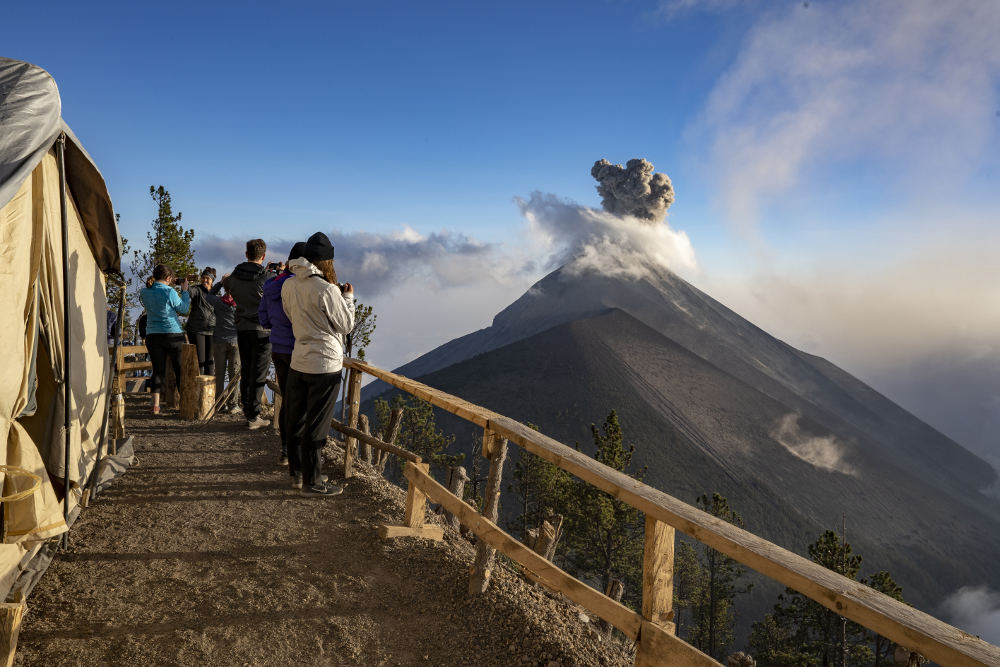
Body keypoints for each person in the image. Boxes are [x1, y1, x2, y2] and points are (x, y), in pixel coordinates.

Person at [282, 232, 354, 496]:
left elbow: (291, 317)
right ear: (326, 261)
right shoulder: (327, 289)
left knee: (296, 420)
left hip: (298, 359)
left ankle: (297, 475)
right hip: (325, 364)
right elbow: (346, 325)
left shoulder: (288, 284)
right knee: (317, 424)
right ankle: (314, 483)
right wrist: (347, 299)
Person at [259, 241, 306, 466]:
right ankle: (300, 455)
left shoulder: (271, 285)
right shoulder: (300, 285)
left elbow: (264, 319)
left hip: (278, 349)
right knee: (303, 402)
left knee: (288, 400)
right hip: (300, 349)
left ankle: (286, 451)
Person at [223, 239, 277, 430]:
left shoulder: (234, 277)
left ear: (246, 254)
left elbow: (225, 283)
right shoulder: (267, 278)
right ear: (263, 256)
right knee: (259, 374)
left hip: (242, 328)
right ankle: (253, 417)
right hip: (263, 331)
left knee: (246, 370)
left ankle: (248, 411)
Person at [139, 264, 190, 415]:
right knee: (179, 370)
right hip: (172, 333)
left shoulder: (144, 291)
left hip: (153, 335)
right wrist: (185, 291)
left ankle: (155, 406)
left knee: (158, 370)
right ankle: (183, 405)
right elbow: (184, 309)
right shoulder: (170, 291)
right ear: (168, 278)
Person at [210, 283, 241, 414]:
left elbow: (209, 295)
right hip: (235, 341)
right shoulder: (240, 303)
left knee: (220, 374)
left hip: (218, 342)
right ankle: (233, 405)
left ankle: (220, 404)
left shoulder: (218, 302)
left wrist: (220, 284)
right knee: (234, 374)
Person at [186, 266, 222, 375]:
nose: (205, 280)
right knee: (200, 360)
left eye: (208, 278)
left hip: (211, 331)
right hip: (196, 330)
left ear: (212, 280)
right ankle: (199, 387)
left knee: (210, 361)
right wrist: (186, 282)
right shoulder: (197, 289)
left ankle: (209, 389)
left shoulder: (216, 293)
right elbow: (189, 291)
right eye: (203, 278)